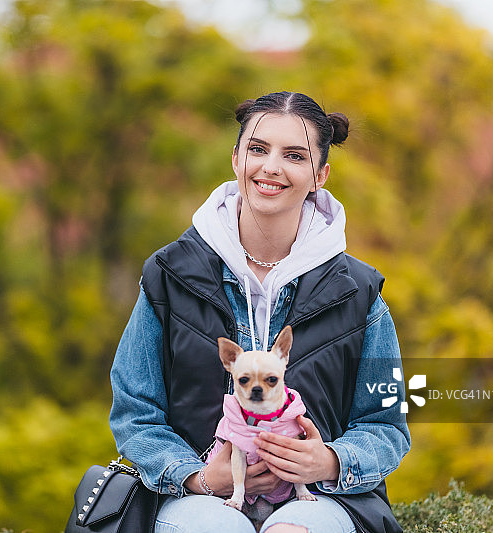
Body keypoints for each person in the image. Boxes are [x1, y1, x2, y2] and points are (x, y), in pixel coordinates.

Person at [109, 91, 410, 533]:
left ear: (319, 175)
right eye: (257, 149)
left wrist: (329, 461)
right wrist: (197, 476)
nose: (271, 167)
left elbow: (386, 423)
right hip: (195, 497)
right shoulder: (169, 275)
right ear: (236, 160)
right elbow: (136, 412)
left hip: (321, 498)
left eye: (293, 155)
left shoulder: (359, 292)